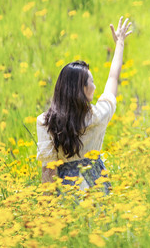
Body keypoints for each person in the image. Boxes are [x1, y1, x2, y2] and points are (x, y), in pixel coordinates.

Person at [36, 16, 133, 194]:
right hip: (97, 187)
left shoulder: (45, 122)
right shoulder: (98, 116)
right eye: (92, 82)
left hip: (67, 194)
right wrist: (119, 43)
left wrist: (46, 209)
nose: (95, 87)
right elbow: (113, 78)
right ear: (83, 90)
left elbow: (48, 170)